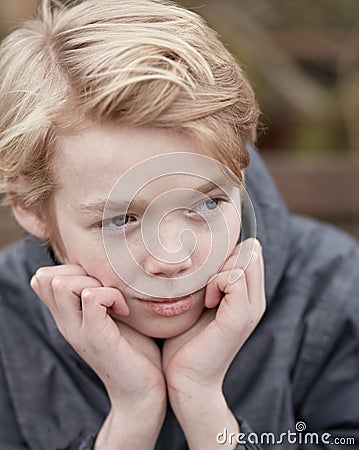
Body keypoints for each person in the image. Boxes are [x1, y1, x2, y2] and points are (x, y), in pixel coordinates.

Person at [0, 1, 358, 449]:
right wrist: (132, 415)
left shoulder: (334, 289)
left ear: (240, 172)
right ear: (29, 207)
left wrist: (202, 401)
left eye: (206, 204)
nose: (174, 257)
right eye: (121, 219)